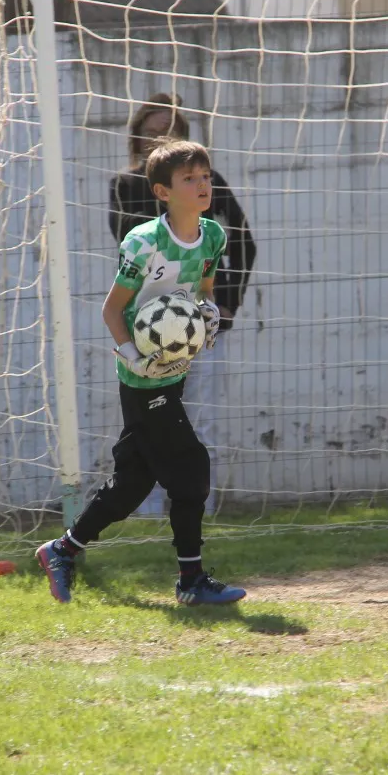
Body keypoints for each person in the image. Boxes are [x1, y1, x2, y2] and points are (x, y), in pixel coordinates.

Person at [38, 139, 246, 606]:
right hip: (140, 378)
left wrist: (208, 315)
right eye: (189, 179)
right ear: (162, 192)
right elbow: (113, 311)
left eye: (205, 176)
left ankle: (62, 549)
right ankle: (191, 582)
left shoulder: (213, 235)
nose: (202, 185)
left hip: (174, 370)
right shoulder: (144, 242)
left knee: (132, 483)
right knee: (192, 468)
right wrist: (134, 356)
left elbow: (204, 290)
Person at [108, 94, 257, 515]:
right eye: (152, 133)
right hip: (148, 329)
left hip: (200, 327)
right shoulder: (127, 187)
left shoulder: (209, 185)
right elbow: (126, 247)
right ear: (137, 140)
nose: (161, 140)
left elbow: (244, 240)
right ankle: (149, 510)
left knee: (201, 419)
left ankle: (196, 508)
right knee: (151, 422)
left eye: (170, 133)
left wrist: (225, 304)